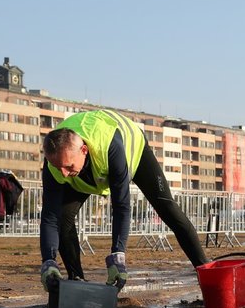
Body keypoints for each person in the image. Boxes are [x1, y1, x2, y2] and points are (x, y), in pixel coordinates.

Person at [39, 109, 208, 292]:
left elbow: (121, 206)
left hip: (133, 149)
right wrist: (49, 261)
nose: (63, 173)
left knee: (167, 207)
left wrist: (118, 256)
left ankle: (205, 271)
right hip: (88, 163)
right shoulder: (55, 165)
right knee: (63, 218)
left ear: (84, 150)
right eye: (58, 167)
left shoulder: (110, 147)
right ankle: (77, 280)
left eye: (68, 166)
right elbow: (50, 217)